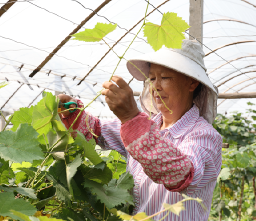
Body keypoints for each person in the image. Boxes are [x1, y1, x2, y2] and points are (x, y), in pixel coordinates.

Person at [58, 39, 222, 220]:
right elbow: (96, 130)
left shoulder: (204, 136)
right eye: (152, 78)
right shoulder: (149, 124)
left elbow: (182, 175)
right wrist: (72, 112)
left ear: (192, 83)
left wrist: (131, 118)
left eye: (165, 77)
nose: (156, 86)